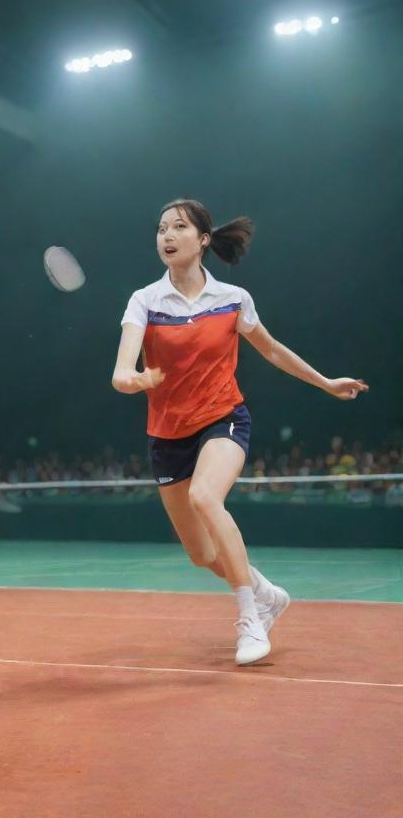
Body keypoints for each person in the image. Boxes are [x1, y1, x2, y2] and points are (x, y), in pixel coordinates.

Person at [112, 199, 368, 665]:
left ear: (203, 240)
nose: (166, 236)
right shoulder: (144, 300)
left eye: (179, 227)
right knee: (200, 554)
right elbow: (121, 371)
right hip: (167, 435)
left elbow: (271, 351)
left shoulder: (232, 299)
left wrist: (326, 383)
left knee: (206, 497)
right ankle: (268, 592)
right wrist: (134, 379)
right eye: (161, 228)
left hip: (222, 417)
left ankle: (251, 619)